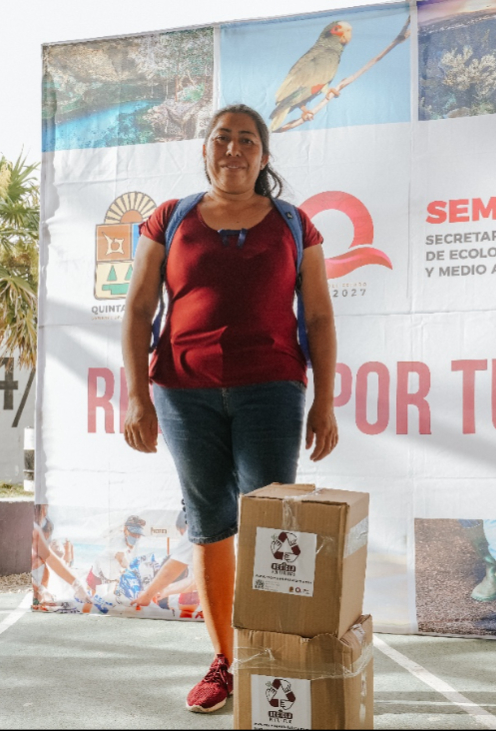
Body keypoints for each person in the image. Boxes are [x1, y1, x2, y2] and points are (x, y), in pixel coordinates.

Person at [120, 103, 339, 714]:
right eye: (222, 139)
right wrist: (138, 395)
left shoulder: (295, 225)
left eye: (247, 140)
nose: (233, 149)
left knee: (274, 529)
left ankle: (274, 657)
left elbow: (318, 316)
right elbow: (138, 310)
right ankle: (227, 663)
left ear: (264, 156)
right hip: (183, 392)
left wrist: (325, 401)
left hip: (272, 389)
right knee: (211, 522)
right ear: (206, 150)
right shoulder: (171, 218)